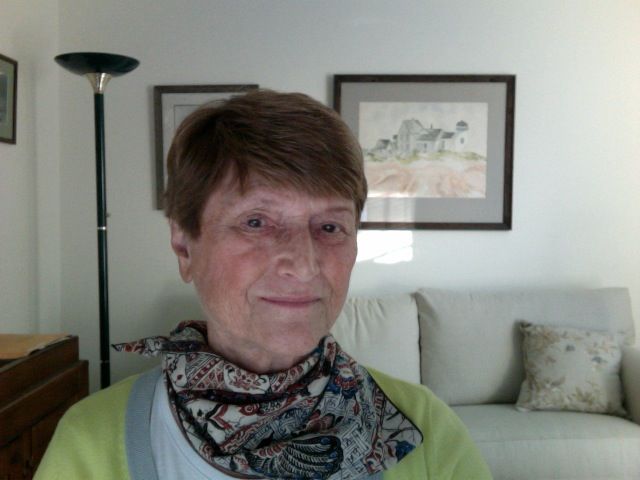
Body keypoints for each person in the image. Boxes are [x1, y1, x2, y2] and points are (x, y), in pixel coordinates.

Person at [35, 90, 492, 479]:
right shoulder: (92, 441)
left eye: (330, 227)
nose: (303, 265)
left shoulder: (425, 428)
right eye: (256, 222)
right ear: (184, 245)